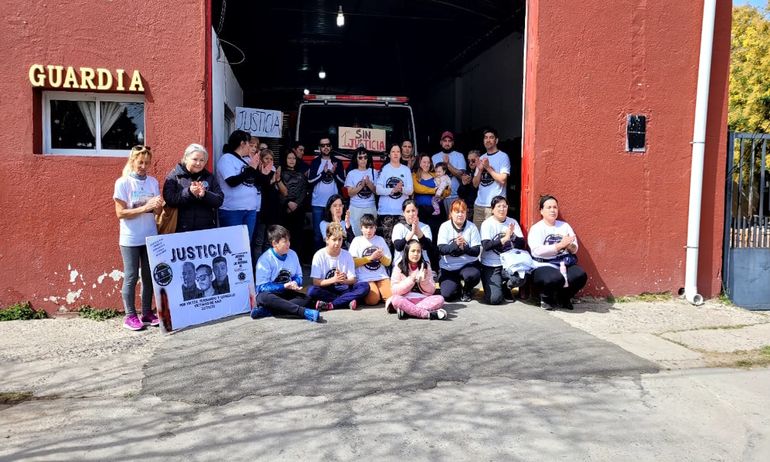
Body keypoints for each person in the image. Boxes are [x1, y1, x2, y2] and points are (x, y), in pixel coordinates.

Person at [113, 145, 163, 331]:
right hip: (130, 237)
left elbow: (157, 211)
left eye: (147, 163)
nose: (143, 166)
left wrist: (158, 205)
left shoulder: (152, 182)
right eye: (140, 162)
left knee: (149, 276)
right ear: (132, 161)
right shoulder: (123, 183)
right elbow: (120, 213)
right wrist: (145, 207)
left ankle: (147, 312)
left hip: (149, 235)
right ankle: (130, 316)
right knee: (132, 276)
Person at [250, 225, 322, 323]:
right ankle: (303, 312)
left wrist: (295, 283)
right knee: (263, 297)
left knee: (307, 299)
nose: (288, 244)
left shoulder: (293, 254)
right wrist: (284, 286)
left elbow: (299, 276)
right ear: (274, 243)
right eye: (285, 241)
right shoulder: (265, 259)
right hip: (271, 296)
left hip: (286, 294)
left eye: (289, 240)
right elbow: (261, 287)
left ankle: (269, 311)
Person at [528, 195, 588, 310]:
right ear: (541, 211)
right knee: (554, 278)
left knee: (580, 275)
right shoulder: (537, 228)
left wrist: (569, 245)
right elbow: (537, 251)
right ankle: (546, 298)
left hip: (564, 263)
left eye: (555, 207)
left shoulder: (564, 226)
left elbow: (575, 249)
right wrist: (559, 245)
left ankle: (564, 298)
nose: (552, 210)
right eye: (549, 207)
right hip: (543, 264)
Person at [216, 130, 270, 241]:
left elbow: (257, 183)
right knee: (233, 245)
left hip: (250, 209)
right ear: (242, 143)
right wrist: (250, 169)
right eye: (248, 143)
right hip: (232, 210)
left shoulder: (244, 161)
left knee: (245, 245)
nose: (251, 147)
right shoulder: (226, 159)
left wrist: (264, 174)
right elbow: (232, 182)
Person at [162, 143, 224, 233]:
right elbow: (169, 199)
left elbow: (219, 200)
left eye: (202, 160)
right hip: (181, 229)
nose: (198, 163)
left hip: (205, 230)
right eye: (195, 159)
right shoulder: (175, 176)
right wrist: (189, 192)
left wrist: (205, 194)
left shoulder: (209, 177)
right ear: (186, 158)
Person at [309, 223, 370, 311]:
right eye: (334, 240)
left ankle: (332, 305)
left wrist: (343, 280)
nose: (337, 243)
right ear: (327, 239)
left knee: (364, 286)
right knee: (312, 290)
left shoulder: (347, 255)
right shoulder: (319, 255)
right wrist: (334, 280)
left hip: (345, 290)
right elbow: (316, 282)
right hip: (328, 290)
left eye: (340, 239)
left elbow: (353, 279)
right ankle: (346, 301)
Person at [386, 239, 447, 320]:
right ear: (407, 252)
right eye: (413, 251)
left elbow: (431, 291)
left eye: (418, 251)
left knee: (440, 299)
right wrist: (412, 279)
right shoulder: (399, 267)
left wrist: (424, 280)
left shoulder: (426, 266)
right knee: (396, 300)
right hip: (404, 299)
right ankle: (427, 314)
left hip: (422, 299)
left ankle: (408, 312)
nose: (416, 254)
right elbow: (395, 291)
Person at [480, 196, 525, 305]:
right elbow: (486, 245)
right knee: (494, 299)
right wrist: (504, 239)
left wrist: (512, 236)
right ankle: (495, 284)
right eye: (498, 206)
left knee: (522, 277)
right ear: (492, 209)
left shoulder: (512, 222)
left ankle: (506, 286)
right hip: (491, 265)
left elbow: (522, 244)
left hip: (509, 264)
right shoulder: (487, 224)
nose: (502, 209)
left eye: (504, 206)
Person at [436, 199, 482, 302]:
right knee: (447, 295)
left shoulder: (472, 227)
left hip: (468, 265)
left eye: (463, 212)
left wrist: (464, 248)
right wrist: (455, 244)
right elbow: (441, 249)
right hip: (449, 267)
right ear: (451, 213)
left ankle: (467, 289)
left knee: (472, 275)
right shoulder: (444, 226)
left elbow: (476, 251)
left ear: (466, 213)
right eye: (457, 212)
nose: (460, 215)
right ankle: (457, 286)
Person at [307, 136, 346, 250]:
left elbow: (343, 182)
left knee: (335, 234)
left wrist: (333, 173)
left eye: (328, 145)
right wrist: (324, 174)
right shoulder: (315, 162)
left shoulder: (337, 162)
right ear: (319, 148)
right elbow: (310, 181)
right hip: (318, 203)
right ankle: (318, 261)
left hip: (334, 205)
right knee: (318, 235)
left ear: (331, 147)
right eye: (323, 145)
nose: (325, 147)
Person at [349, 214, 392, 306]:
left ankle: (381, 293)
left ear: (375, 228)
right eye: (366, 227)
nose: (369, 230)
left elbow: (388, 262)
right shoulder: (357, 240)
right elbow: (352, 262)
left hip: (381, 276)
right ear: (361, 228)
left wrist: (381, 257)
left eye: (371, 227)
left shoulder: (380, 240)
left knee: (390, 297)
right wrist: (370, 258)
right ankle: (369, 295)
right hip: (365, 277)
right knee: (373, 300)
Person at [376, 143, 413, 249]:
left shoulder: (405, 170)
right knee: (387, 243)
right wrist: (393, 190)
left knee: (403, 243)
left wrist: (401, 189)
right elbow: (378, 190)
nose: (396, 154)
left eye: (398, 152)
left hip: (402, 213)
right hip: (386, 212)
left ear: (401, 154)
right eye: (393, 152)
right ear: (389, 155)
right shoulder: (384, 169)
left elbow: (410, 191)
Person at [473, 128, 510, 229]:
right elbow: (475, 184)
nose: (488, 140)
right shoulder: (481, 158)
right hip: (479, 205)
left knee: (494, 238)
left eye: (491, 137)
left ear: (496, 140)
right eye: (486, 138)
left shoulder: (503, 157)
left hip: (494, 206)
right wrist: (480, 170)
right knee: (478, 238)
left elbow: (503, 180)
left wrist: (488, 168)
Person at [253, 149, 285, 254]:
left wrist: (277, 179)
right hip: (261, 211)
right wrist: (270, 181)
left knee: (269, 241)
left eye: (271, 159)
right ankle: (257, 266)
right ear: (261, 160)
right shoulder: (256, 173)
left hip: (272, 211)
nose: (269, 161)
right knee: (258, 241)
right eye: (266, 158)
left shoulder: (274, 173)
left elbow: (284, 192)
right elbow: (260, 188)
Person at [279, 147, 308, 258]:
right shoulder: (280, 174)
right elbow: (279, 191)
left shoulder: (300, 175)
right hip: (284, 210)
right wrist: (287, 203)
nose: (292, 160)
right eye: (289, 158)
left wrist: (296, 204)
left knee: (297, 238)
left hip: (298, 210)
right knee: (284, 237)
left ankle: (296, 262)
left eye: (294, 158)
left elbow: (303, 191)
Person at [344, 146, 378, 236]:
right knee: (356, 236)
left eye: (365, 157)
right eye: (360, 157)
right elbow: (349, 193)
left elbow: (377, 192)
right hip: (355, 208)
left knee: (370, 236)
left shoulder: (374, 172)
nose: (363, 160)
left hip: (370, 207)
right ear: (356, 159)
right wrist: (362, 186)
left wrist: (369, 183)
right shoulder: (351, 173)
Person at [431, 131, 466, 213]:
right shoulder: (434, 157)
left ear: (453, 143)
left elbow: (461, 175)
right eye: (445, 141)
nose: (447, 143)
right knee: (439, 224)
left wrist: (448, 164)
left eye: (449, 141)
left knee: (454, 222)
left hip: (455, 196)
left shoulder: (459, 156)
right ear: (441, 142)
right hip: (438, 197)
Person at [391, 199, 433, 268]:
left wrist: (418, 230)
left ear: (417, 211)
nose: (411, 214)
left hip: (421, 265)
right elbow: (398, 247)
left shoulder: (425, 227)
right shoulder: (398, 227)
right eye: (408, 211)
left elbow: (427, 246)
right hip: (401, 266)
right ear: (403, 213)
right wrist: (412, 232)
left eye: (413, 211)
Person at [458, 149, 480, 218]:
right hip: (469, 208)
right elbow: (460, 194)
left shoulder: (483, 173)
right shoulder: (467, 173)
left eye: (473, 161)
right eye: (469, 161)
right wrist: (464, 185)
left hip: (480, 207)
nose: (470, 163)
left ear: (479, 159)